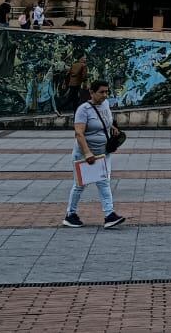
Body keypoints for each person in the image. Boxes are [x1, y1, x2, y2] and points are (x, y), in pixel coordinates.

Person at [62, 80, 126, 229]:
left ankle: (109, 215)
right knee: (80, 185)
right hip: (85, 155)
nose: (105, 95)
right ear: (92, 93)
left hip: (102, 153)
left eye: (106, 92)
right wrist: (87, 153)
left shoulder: (105, 105)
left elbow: (106, 121)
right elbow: (79, 133)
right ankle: (70, 215)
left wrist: (113, 128)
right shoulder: (83, 110)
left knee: (104, 182)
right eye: (101, 92)